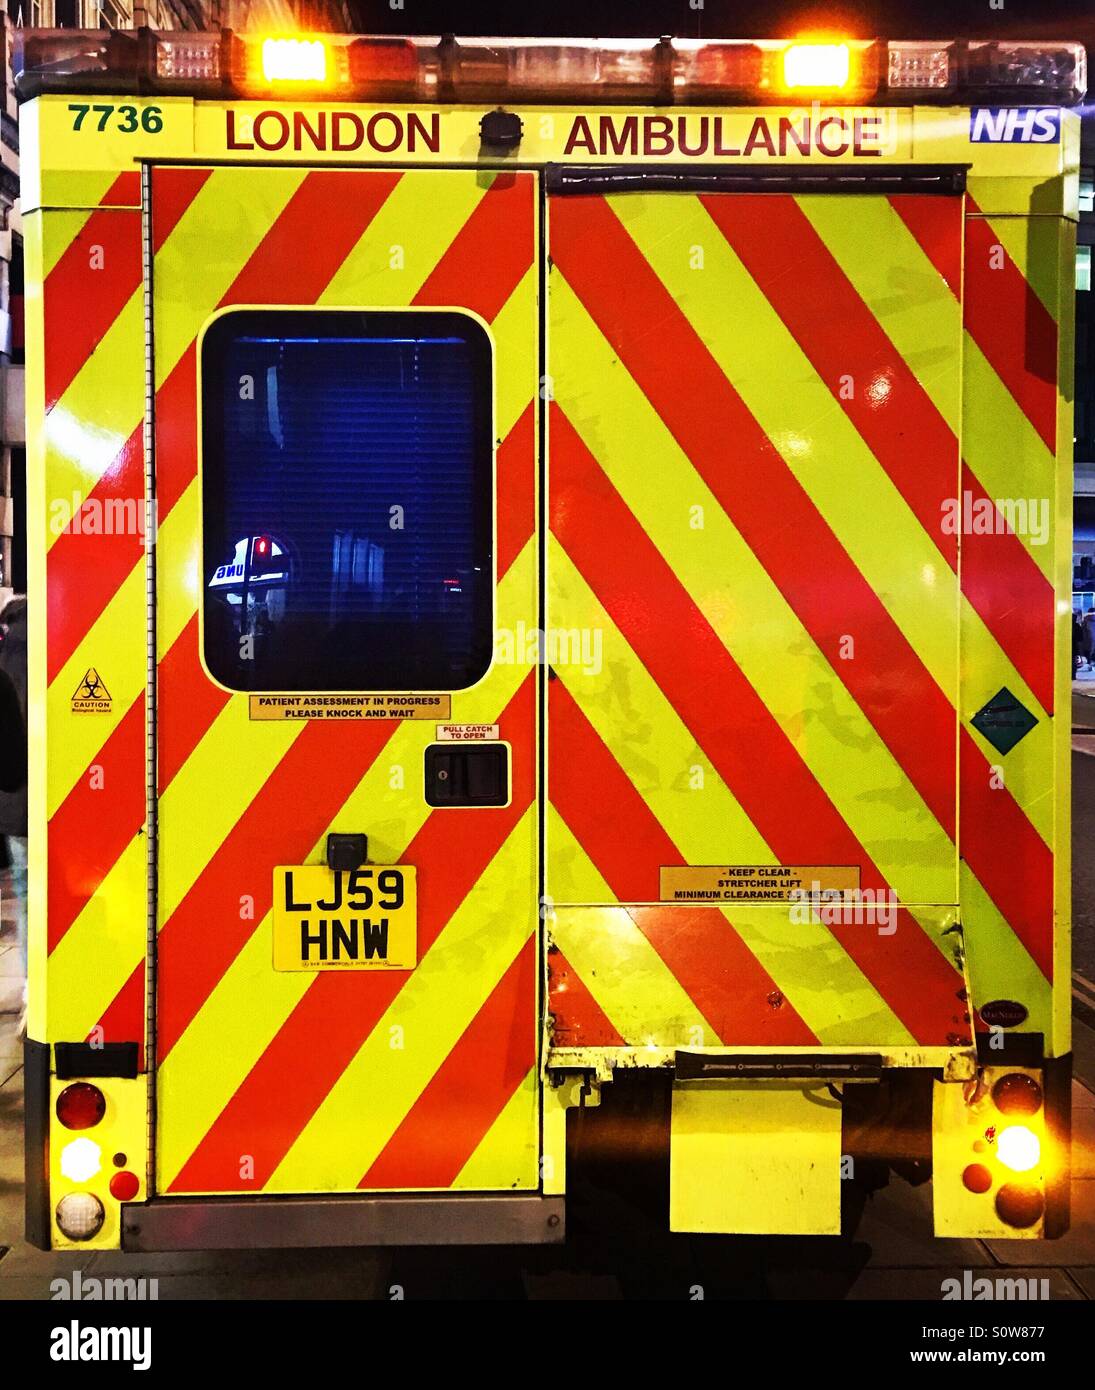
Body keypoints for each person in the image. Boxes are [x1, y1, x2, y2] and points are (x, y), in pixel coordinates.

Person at [0, 596, 27, 1035]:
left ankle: (29, 987)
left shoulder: (4, 663)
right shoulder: (62, 650)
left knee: (25, 890)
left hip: (12, 807)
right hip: (49, 796)